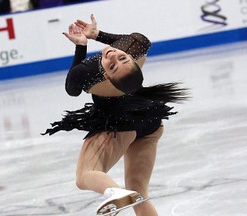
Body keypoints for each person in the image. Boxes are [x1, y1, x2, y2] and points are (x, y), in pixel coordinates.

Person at [42, 15, 188, 216]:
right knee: (138, 190)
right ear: (134, 61)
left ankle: (114, 192)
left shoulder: (88, 72)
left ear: (107, 78)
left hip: (119, 124)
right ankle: (123, 193)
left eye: (112, 66)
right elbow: (140, 39)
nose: (112, 56)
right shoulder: (132, 49)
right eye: (122, 58)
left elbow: (72, 89)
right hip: (150, 119)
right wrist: (97, 34)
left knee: (85, 175)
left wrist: (81, 47)